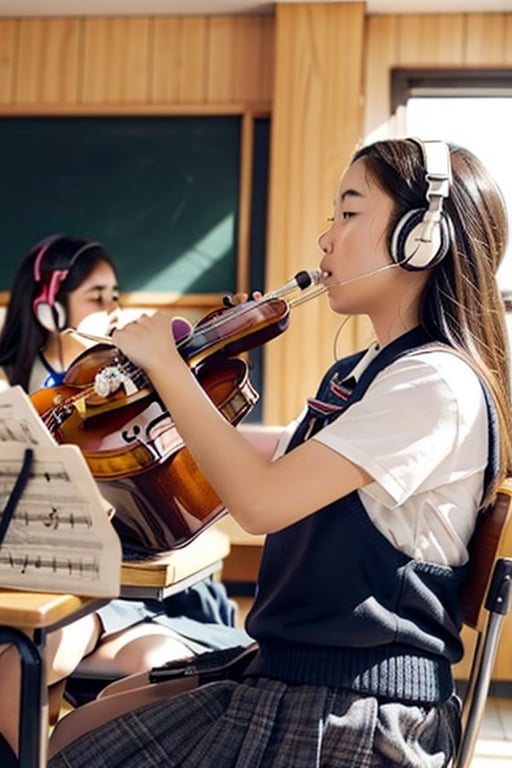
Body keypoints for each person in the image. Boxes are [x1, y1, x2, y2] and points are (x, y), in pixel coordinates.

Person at [47, 137, 512, 768]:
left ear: (419, 239)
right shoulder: (362, 373)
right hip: (296, 668)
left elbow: (261, 503)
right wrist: (178, 386)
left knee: (78, 748)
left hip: (353, 707)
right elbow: (267, 477)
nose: (325, 239)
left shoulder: (434, 384)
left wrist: (172, 370)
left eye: (348, 214)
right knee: (80, 729)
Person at [0, 234, 250, 766]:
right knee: (27, 659)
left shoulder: (131, 389)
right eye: (97, 296)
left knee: (58, 655)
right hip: (41, 585)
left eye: (116, 294)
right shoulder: (12, 394)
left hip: (132, 594)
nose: (114, 310)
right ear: (48, 310)